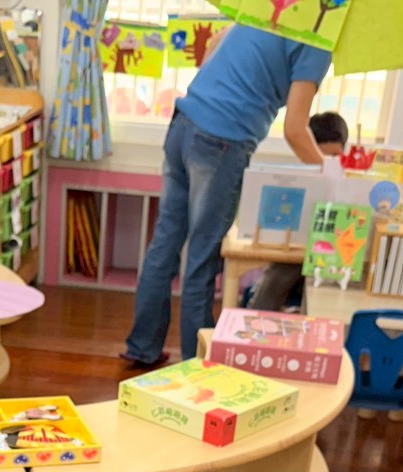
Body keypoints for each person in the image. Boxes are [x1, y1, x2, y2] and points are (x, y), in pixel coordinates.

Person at [121, 26, 332, 369]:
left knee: (165, 243)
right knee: (202, 259)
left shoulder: (271, 8)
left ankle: (142, 347)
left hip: (185, 121)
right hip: (222, 141)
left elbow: (215, 42)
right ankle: (198, 365)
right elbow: (295, 129)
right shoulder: (318, 38)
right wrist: (332, 175)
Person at [245, 112, 347, 313]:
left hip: (331, 255)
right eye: (320, 157)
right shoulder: (299, 182)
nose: (326, 163)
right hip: (295, 250)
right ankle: (257, 316)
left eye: (334, 157)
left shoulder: (347, 179)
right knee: (280, 272)